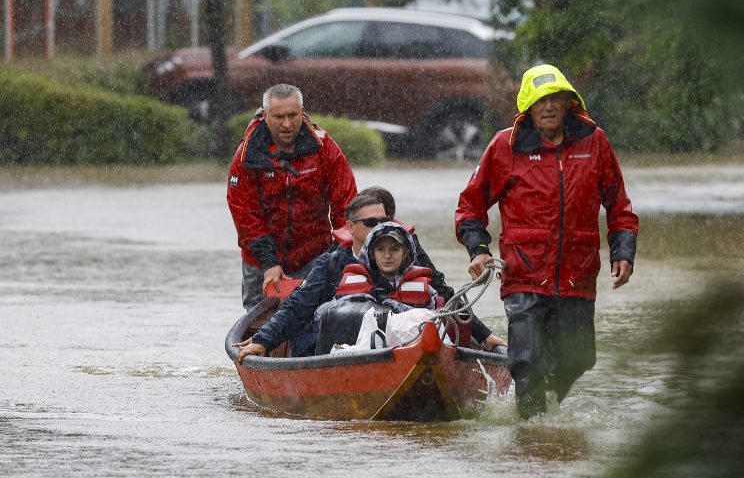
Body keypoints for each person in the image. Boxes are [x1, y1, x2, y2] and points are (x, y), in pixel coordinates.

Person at [455, 64, 639, 418]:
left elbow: (620, 206)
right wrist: (478, 250)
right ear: (528, 108)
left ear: (569, 103)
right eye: (541, 101)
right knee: (527, 361)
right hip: (524, 277)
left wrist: (623, 251)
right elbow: (470, 207)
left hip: (578, 277)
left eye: (556, 99)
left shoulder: (593, 141)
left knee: (579, 359)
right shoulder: (504, 147)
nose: (550, 107)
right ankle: (531, 435)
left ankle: (544, 410)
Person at [237, 193, 506, 363]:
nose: (382, 229)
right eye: (371, 224)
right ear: (351, 227)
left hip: (406, 348)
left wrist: (486, 337)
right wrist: (264, 340)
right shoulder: (333, 262)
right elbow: (297, 306)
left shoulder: (409, 253)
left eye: (384, 220)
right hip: (340, 352)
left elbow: (447, 297)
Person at [227, 83, 357, 310]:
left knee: (321, 317)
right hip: (260, 261)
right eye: (279, 117)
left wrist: (340, 256)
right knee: (257, 324)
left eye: (292, 115)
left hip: (315, 257)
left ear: (302, 112)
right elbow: (245, 214)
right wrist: (269, 262)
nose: (286, 124)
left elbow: (346, 206)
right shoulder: (247, 155)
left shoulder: (324, 148)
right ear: (265, 116)